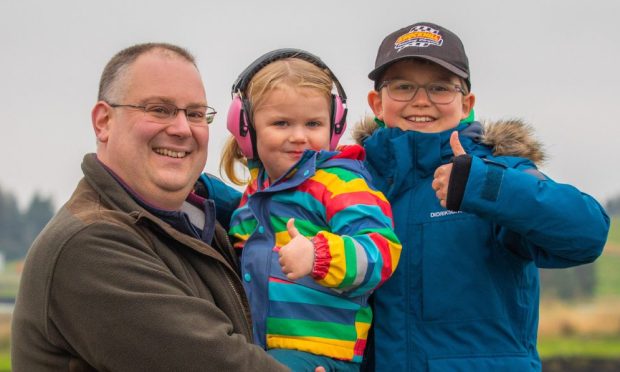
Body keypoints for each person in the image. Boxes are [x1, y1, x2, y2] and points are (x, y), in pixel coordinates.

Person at [11, 43, 290, 371]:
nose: (182, 129)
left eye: (196, 114)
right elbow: (217, 363)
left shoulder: (203, 225)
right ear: (103, 122)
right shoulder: (89, 245)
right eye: (160, 110)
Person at [352, 22, 610, 371]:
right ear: (377, 103)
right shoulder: (352, 183)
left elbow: (588, 234)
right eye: (403, 86)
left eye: (440, 87)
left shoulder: (500, 173)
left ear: (466, 104)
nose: (421, 100)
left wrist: (482, 186)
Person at [220, 48, 402, 371]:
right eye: (281, 123)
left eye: (313, 123)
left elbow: (381, 251)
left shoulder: (340, 182)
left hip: (323, 356)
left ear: (334, 127)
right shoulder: (254, 195)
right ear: (247, 129)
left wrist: (319, 256)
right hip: (262, 347)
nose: (299, 136)